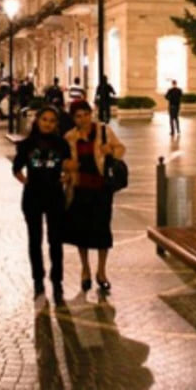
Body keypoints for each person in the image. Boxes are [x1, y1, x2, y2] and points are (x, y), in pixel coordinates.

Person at [64, 100, 126, 295]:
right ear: (73, 118)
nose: (83, 119)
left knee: (101, 230)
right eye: (78, 116)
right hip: (80, 188)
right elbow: (65, 161)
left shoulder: (103, 131)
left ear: (92, 114)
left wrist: (112, 151)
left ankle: (101, 271)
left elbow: (121, 149)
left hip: (101, 189)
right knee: (81, 232)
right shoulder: (70, 137)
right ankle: (85, 269)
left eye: (86, 114)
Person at [13, 106, 73, 303]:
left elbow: (69, 165)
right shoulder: (27, 145)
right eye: (45, 119)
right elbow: (16, 168)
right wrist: (26, 181)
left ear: (56, 124)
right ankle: (38, 278)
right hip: (33, 197)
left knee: (55, 240)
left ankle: (57, 280)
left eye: (52, 120)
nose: (48, 123)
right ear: (38, 120)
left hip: (55, 196)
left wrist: (66, 177)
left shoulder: (61, 144)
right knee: (35, 239)